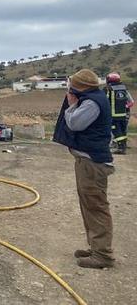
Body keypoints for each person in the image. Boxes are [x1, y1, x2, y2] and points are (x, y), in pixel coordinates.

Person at [52, 69, 115, 269]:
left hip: (92, 163)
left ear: (81, 86)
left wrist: (71, 105)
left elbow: (75, 123)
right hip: (87, 161)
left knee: (96, 207)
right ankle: (96, 248)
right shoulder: (93, 98)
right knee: (89, 206)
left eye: (73, 86)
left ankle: (102, 255)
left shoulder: (91, 102)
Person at [106, 72, 133, 155]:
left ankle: (121, 148)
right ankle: (123, 146)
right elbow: (130, 101)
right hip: (123, 114)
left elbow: (106, 100)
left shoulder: (110, 89)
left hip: (114, 115)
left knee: (116, 131)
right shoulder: (124, 88)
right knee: (122, 130)